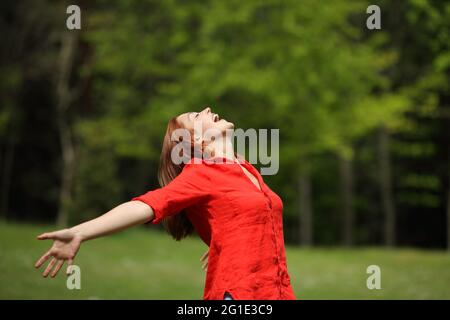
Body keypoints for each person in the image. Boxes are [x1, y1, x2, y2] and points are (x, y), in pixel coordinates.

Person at [34, 107, 296, 300]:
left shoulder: (247, 169)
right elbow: (146, 205)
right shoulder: (200, 171)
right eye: (195, 117)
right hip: (240, 296)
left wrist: (227, 241)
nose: (206, 109)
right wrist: (81, 231)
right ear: (196, 142)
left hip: (279, 291)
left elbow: (244, 215)